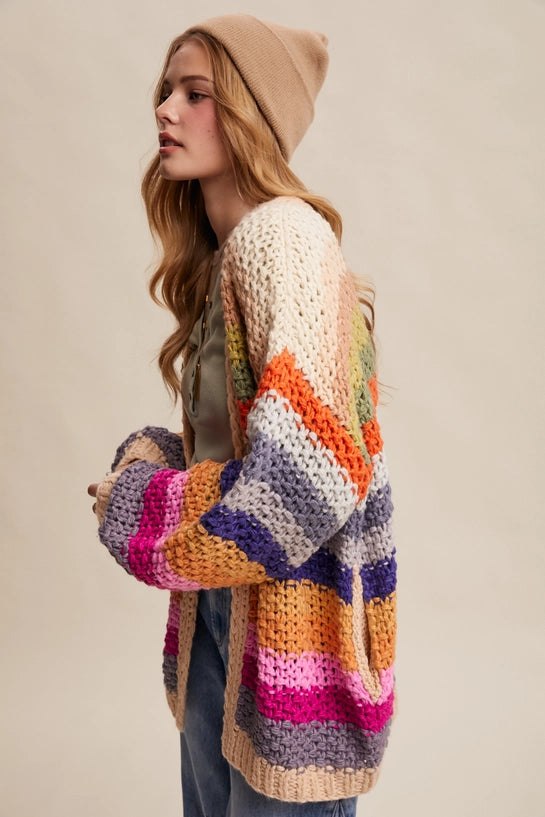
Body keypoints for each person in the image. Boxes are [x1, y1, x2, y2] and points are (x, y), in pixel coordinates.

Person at [88, 13, 396, 817]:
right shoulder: (232, 254)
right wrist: (155, 455)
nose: (165, 110)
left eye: (196, 93)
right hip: (224, 620)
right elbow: (245, 449)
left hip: (291, 646)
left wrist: (147, 507)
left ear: (253, 113)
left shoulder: (281, 239)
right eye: (166, 90)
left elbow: (310, 475)